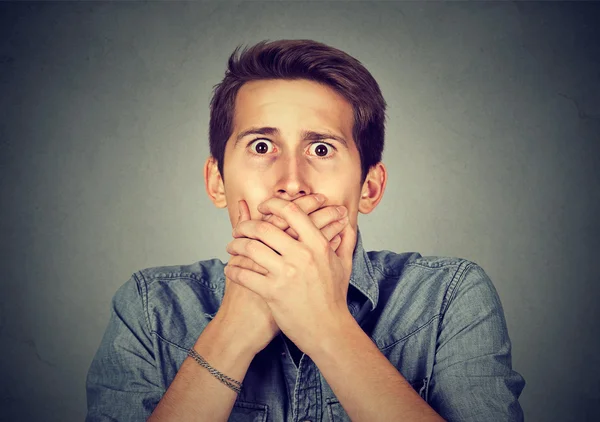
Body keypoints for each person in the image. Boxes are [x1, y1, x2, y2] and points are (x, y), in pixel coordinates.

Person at [86, 39, 525, 422]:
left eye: (321, 147)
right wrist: (231, 333)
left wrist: (325, 322)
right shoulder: (149, 307)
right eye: (261, 146)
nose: (292, 180)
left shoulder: (450, 297)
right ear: (216, 182)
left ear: (369, 187)